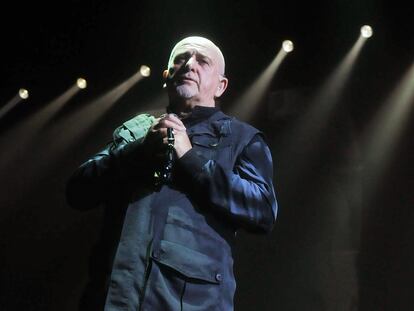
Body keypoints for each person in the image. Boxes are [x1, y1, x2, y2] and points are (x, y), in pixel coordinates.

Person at [66, 36, 278, 311]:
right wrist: (137, 152)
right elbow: (78, 191)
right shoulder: (137, 131)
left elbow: (262, 211)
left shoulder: (241, 138)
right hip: (112, 299)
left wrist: (191, 159)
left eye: (202, 61)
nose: (189, 65)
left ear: (221, 85)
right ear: (166, 77)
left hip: (190, 303)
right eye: (180, 59)